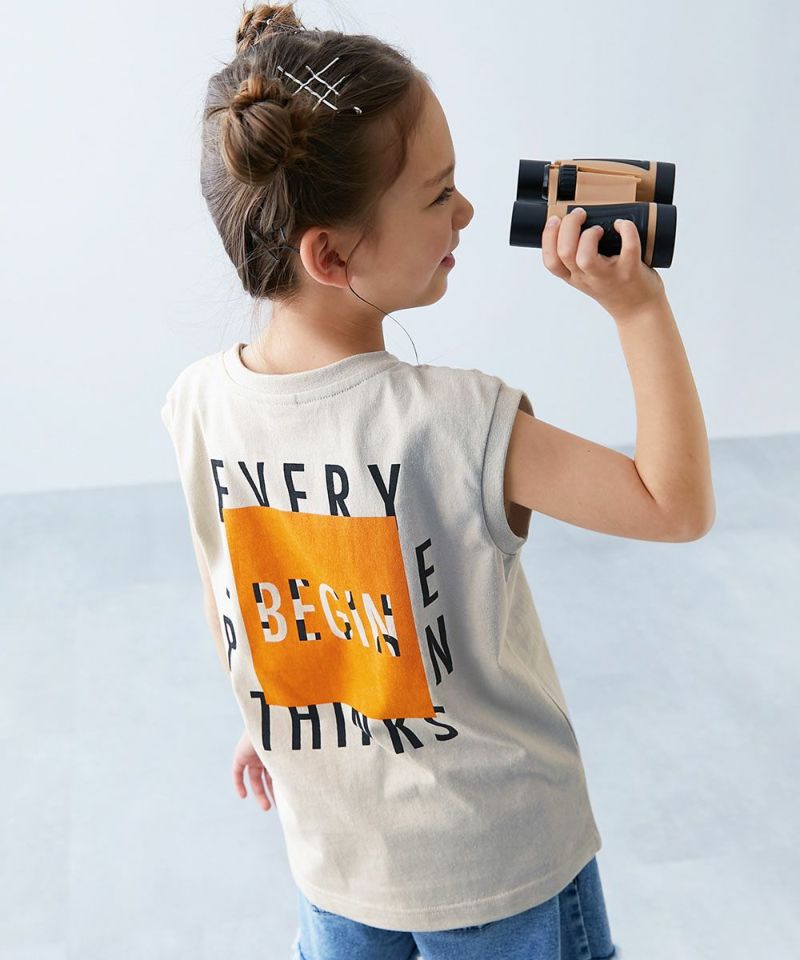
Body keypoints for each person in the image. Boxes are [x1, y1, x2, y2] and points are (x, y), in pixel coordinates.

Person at [159, 4, 715, 959]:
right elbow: (675, 507)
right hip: (501, 869)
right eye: (439, 195)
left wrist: (277, 714)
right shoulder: (458, 420)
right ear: (331, 255)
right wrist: (638, 311)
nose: (466, 214)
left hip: (336, 857)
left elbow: (241, 595)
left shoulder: (199, 403)